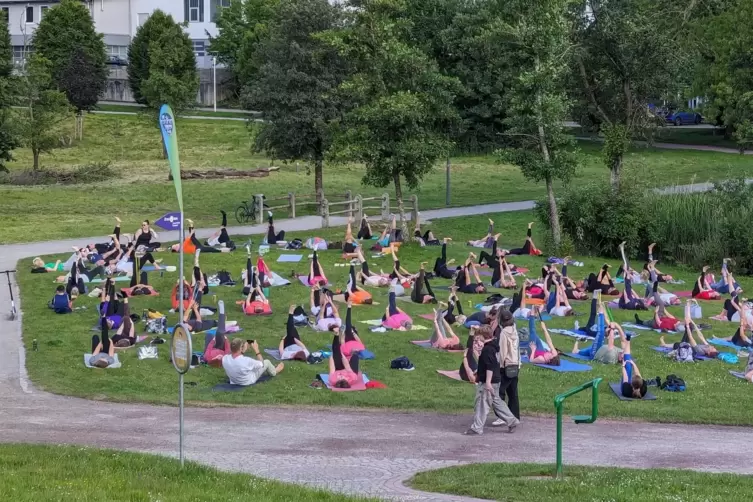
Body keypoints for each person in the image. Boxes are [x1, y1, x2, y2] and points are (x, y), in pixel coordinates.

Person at [465, 324, 519, 435]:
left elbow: (489, 366)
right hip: (496, 379)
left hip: (489, 381)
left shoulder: (487, 350)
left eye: (479, 336)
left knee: (482, 404)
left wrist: (488, 382)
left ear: (483, 336)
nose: (478, 339)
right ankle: (512, 420)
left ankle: (477, 428)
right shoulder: (494, 346)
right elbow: (490, 364)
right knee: (497, 402)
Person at [496, 309, 521, 422]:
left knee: (500, 392)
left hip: (506, 365)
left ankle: (503, 416)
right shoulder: (515, 331)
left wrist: (499, 365)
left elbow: (503, 352)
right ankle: (515, 415)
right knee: (513, 393)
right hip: (516, 364)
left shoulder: (504, 333)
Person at [617, 241, 647, 310]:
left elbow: (631, 276)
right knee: (626, 262)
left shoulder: (639, 280)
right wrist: (630, 270)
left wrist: (626, 270)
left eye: (642, 273)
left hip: (627, 279)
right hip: (628, 279)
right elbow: (637, 297)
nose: (641, 273)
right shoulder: (640, 303)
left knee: (625, 262)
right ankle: (621, 248)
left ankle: (621, 248)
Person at [203, 301, 230, 367]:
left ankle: (221, 321)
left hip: (210, 348)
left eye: (217, 358)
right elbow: (227, 350)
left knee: (209, 335)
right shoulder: (225, 358)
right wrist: (226, 339)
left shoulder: (208, 357)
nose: (219, 357)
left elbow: (209, 349)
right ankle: (222, 313)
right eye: (220, 358)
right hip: (221, 347)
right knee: (220, 332)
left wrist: (213, 340)